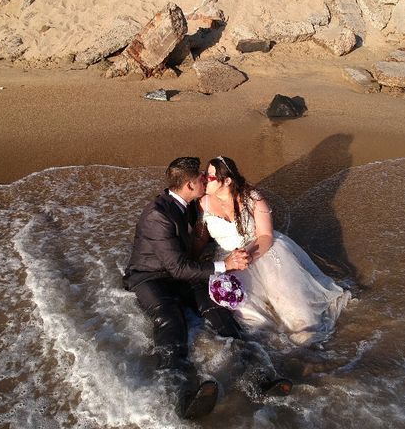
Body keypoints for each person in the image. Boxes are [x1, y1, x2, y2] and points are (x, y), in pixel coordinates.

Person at [123, 157, 289, 420]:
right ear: (190, 184)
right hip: (150, 277)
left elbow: (197, 241)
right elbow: (177, 268)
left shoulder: (188, 202)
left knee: (217, 310)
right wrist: (224, 265)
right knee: (170, 320)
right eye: (202, 178)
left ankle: (258, 379)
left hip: (183, 271)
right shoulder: (158, 215)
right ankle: (181, 396)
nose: (206, 180)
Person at [194, 156, 351, 345]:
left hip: (262, 251)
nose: (204, 178)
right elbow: (201, 237)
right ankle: (272, 347)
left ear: (227, 180)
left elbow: (266, 236)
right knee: (245, 311)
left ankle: (309, 342)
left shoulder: (253, 198)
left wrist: (248, 256)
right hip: (229, 257)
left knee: (295, 309)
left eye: (210, 177)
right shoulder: (204, 203)